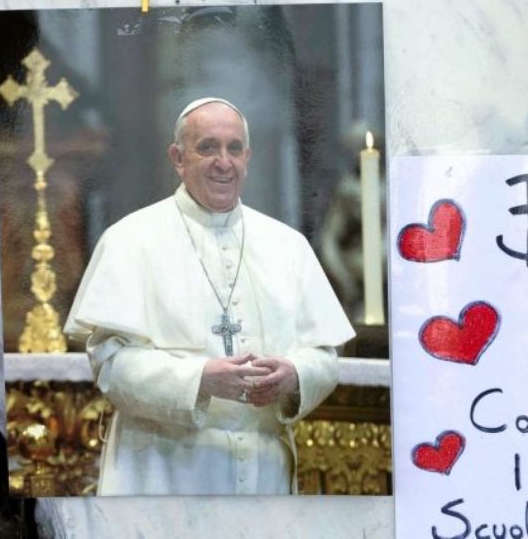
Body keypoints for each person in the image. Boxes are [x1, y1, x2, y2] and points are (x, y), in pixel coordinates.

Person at [64, 97, 355, 495]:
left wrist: (295, 374)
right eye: (208, 147)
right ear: (178, 158)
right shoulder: (131, 240)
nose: (224, 161)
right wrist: (200, 379)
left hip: (262, 472)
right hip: (162, 472)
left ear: (247, 157)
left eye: (234, 148)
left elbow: (324, 356)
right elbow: (111, 365)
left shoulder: (288, 246)